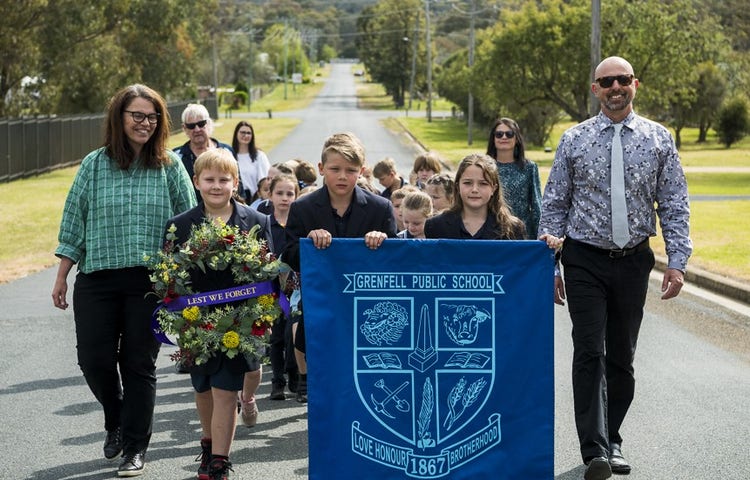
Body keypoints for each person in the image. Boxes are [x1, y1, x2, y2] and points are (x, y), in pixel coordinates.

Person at [538, 56, 692, 480]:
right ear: (595, 90)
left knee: (622, 357)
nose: (615, 87)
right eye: (606, 82)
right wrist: (549, 267)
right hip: (583, 258)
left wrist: (676, 261)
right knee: (590, 350)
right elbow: (554, 206)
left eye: (622, 80)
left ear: (635, 84)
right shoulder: (574, 140)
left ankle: (614, 438)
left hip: (633, 259)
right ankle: (595, 451)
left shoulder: (659, 139)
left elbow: (674, 203)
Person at [51, 84, 197, 477]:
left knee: (138, 364)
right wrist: (62, 275)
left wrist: (185, 278)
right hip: (97, 278)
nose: (145, 123)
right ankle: (115, 418)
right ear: (119, 118)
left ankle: (135, 447)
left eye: (152, 117)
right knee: (93, 359)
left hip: (150, 283)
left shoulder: (169, 166)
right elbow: (73, 223)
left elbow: (189, 221)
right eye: (137, 115)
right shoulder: (94, 165)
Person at [165, 149, 273, 480]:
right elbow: (169, 277)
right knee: (203, 388)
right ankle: (208, 442)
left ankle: (219, 461)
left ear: (235, 182)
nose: (216, 186)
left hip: (240, 323)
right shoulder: (179, 226)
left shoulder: (256, 221)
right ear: (196, 182)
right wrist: (177, 308)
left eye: (223, 180)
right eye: (209, 180)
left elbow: (268, 271)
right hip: (196, 323)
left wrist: (261, 314)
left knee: (225, 390)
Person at [282, 132, 398, 403]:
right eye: (335, 169)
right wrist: (309, 243)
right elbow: (288, 255)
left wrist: (384, 242)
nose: (342, 176)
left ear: (362, 171)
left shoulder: (381, 209)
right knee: (328, 390)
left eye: (350, 170)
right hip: (323, 310)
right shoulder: (303, 208)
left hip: (368, 314)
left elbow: (396, 262)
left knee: (364, 387)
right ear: (321, 169)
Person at [425, 153, 525, 240]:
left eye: (483, 183)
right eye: (468, 183)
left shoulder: (512, 229)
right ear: (457, 186)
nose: (474, 190)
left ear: (493, 189)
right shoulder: (435, 226)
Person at [264, 174, 301, 400]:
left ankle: (295, 375)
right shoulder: (266, 223)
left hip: (295, 288)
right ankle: (277, 381)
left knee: (293, 334)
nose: (285, 198)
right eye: (279, 193)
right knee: (276, 336)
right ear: (270, 195)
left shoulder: (299, 223)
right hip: (271, 289)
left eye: (290, 194)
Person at [486, 117, 542, 238]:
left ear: (516, 138)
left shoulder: (529, 168)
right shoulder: (485, 167)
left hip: (523, 233)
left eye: (509, 134)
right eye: (499, 134)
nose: (504, 137)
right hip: (492, 231)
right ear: (493, 139)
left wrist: (542, 233)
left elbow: (536, 204)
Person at [173, 103, 233, 193]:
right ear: (184, 128)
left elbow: (238, 187)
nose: (197, 130)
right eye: (191, 126)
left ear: (209, 123)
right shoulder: (176, 156)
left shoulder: (227, 151)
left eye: (201, 124)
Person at [231, 121, 270, 202]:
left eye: (249, 133)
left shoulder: (259, 156)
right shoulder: (230, 155)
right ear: (236, 134)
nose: (246, 135)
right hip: (235, 198)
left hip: (254, 199)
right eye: (242, 132)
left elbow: (265, 180)